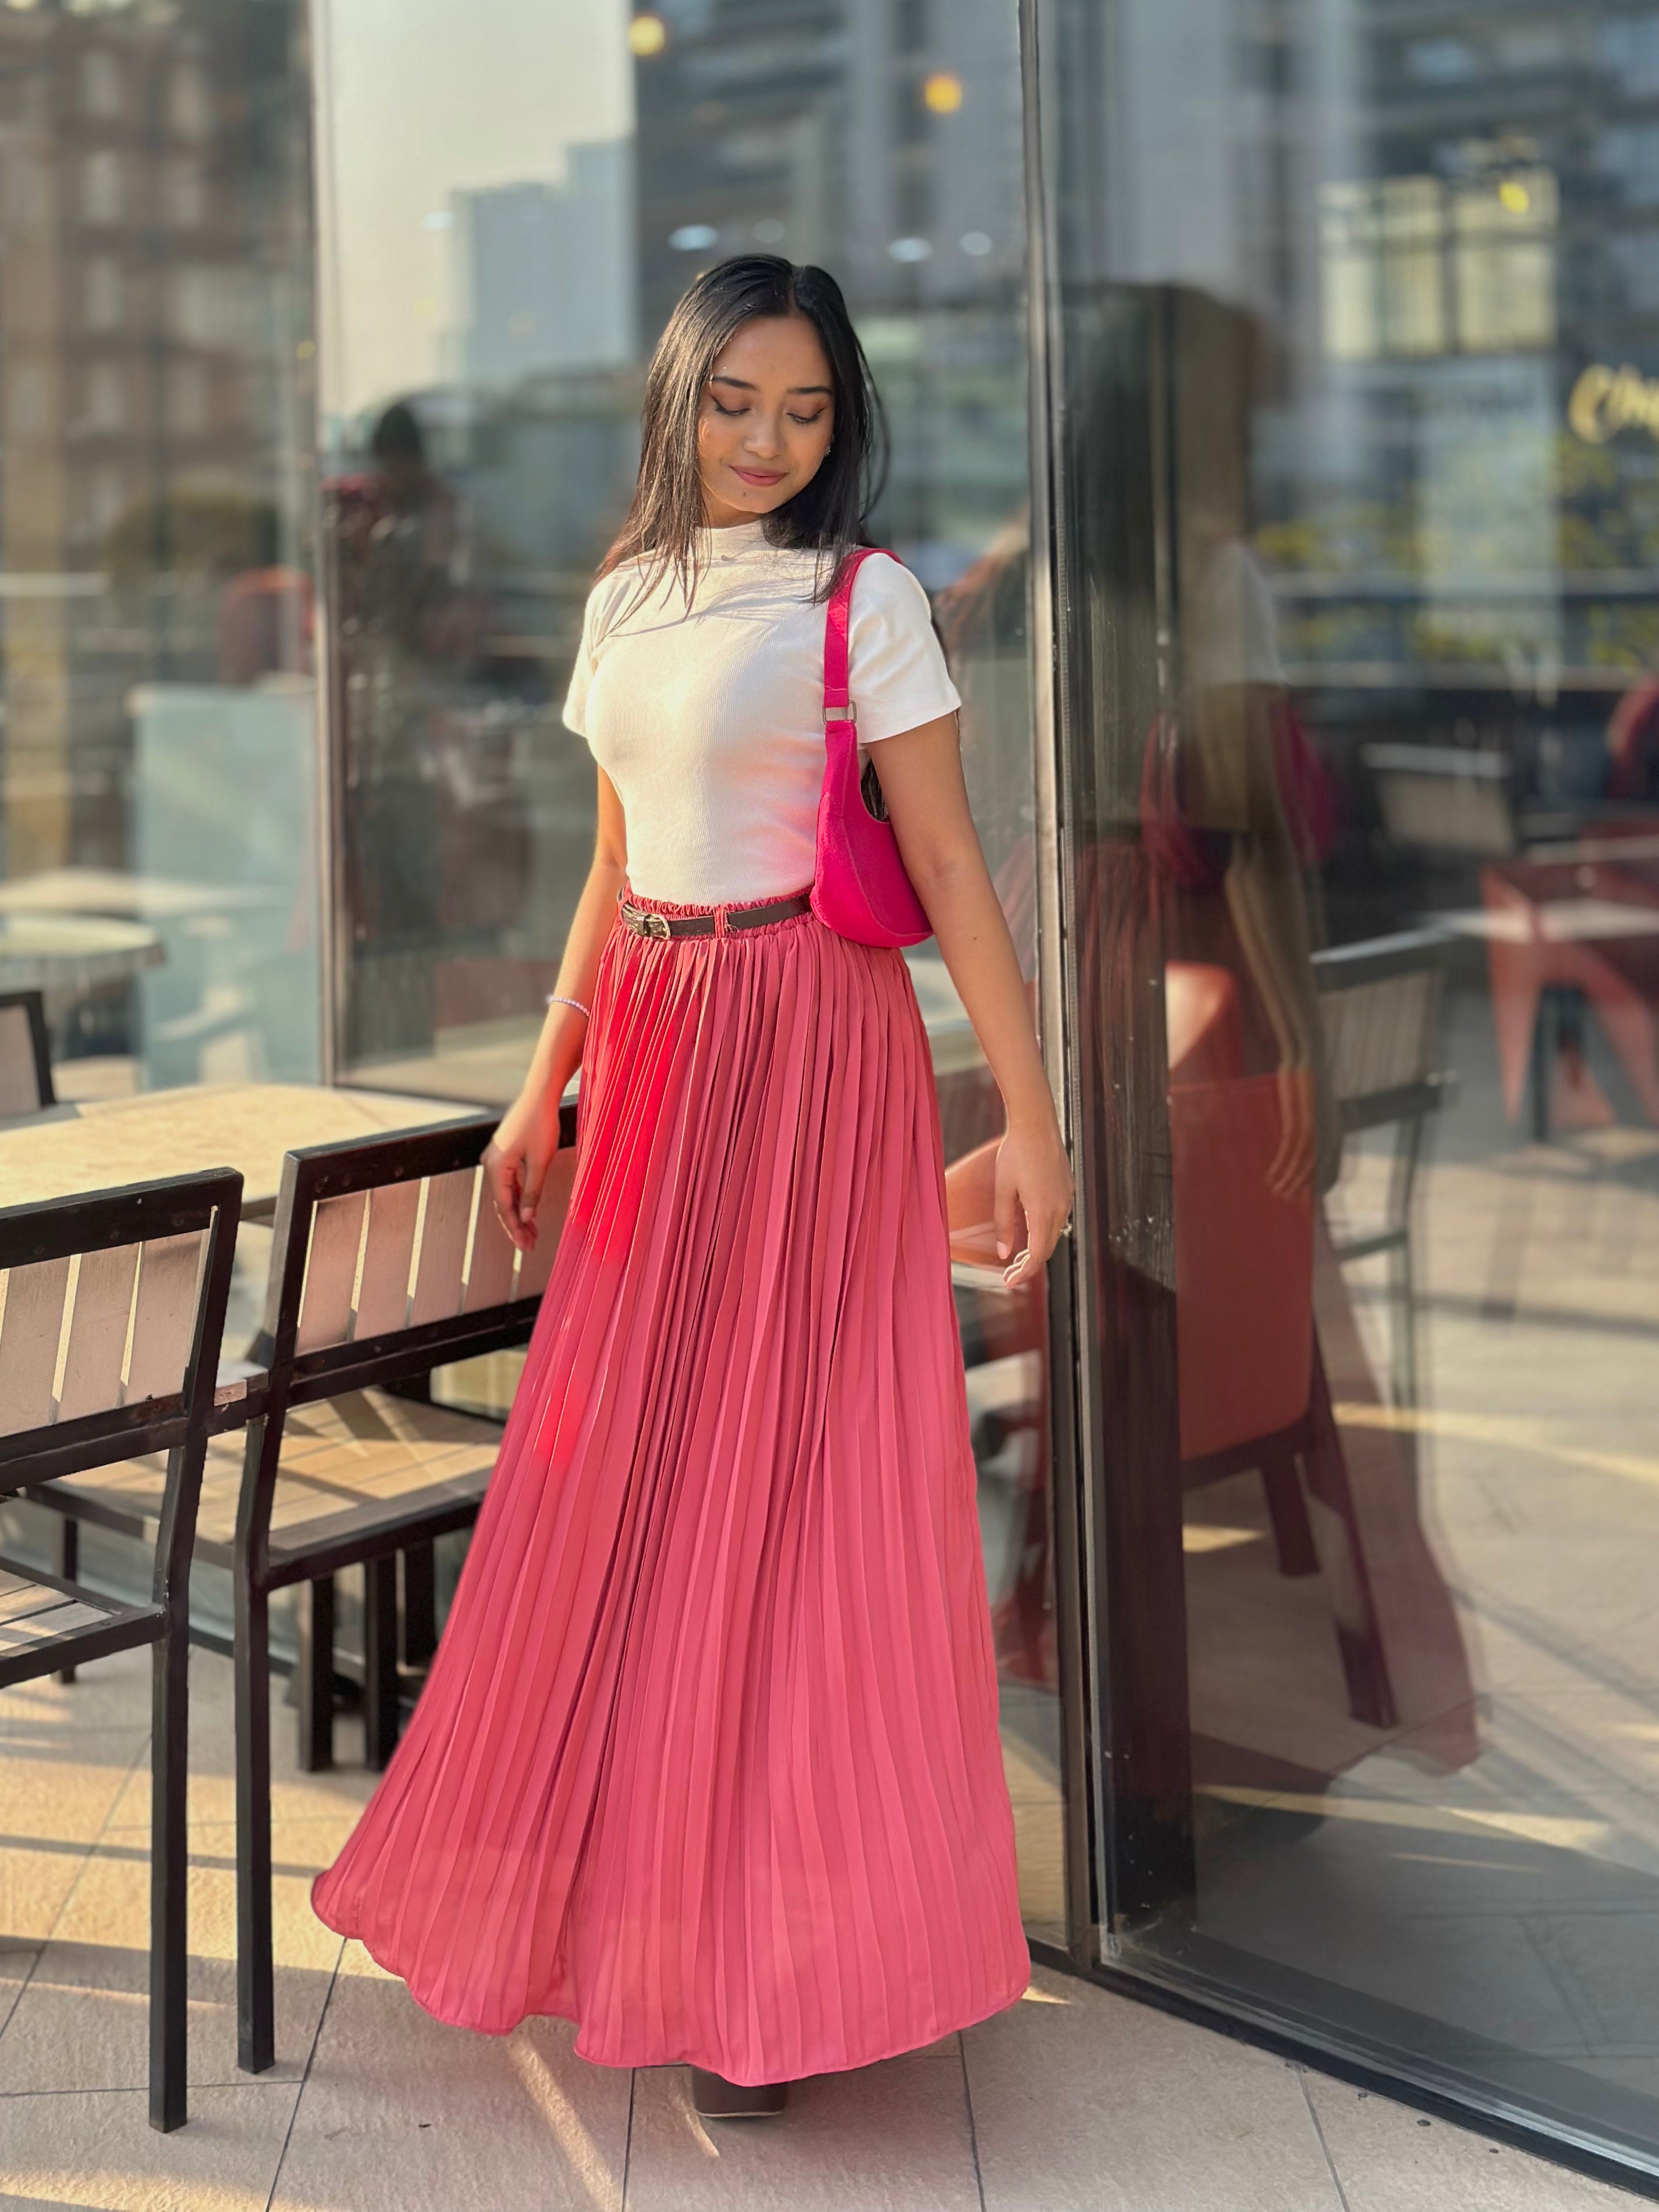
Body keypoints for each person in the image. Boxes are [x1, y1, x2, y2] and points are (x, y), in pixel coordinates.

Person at [312, 256, 1074, 2121]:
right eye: (735, 402)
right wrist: (540, 1076)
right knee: (627, 1463)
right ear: (677, 398)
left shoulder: (865, 599)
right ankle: (620, 1899)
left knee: (793, 1479)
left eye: (805, 411)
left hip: (813, 1040)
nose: (767, 440)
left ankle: (772, 1968)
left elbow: (957, 876)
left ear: (843, 422)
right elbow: (609, 861)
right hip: (655, 1033)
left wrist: (1037, 1122)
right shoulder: (627, 599)